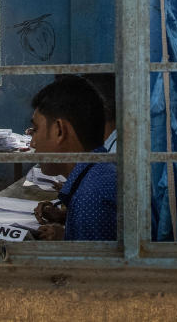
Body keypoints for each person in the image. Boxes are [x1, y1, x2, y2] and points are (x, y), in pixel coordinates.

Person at [27, 76, 116, 241]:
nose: (33, 143)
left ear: (59, 130)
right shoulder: (98, 175)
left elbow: (95, 266)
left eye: (35, 129)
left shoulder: (92, 198)